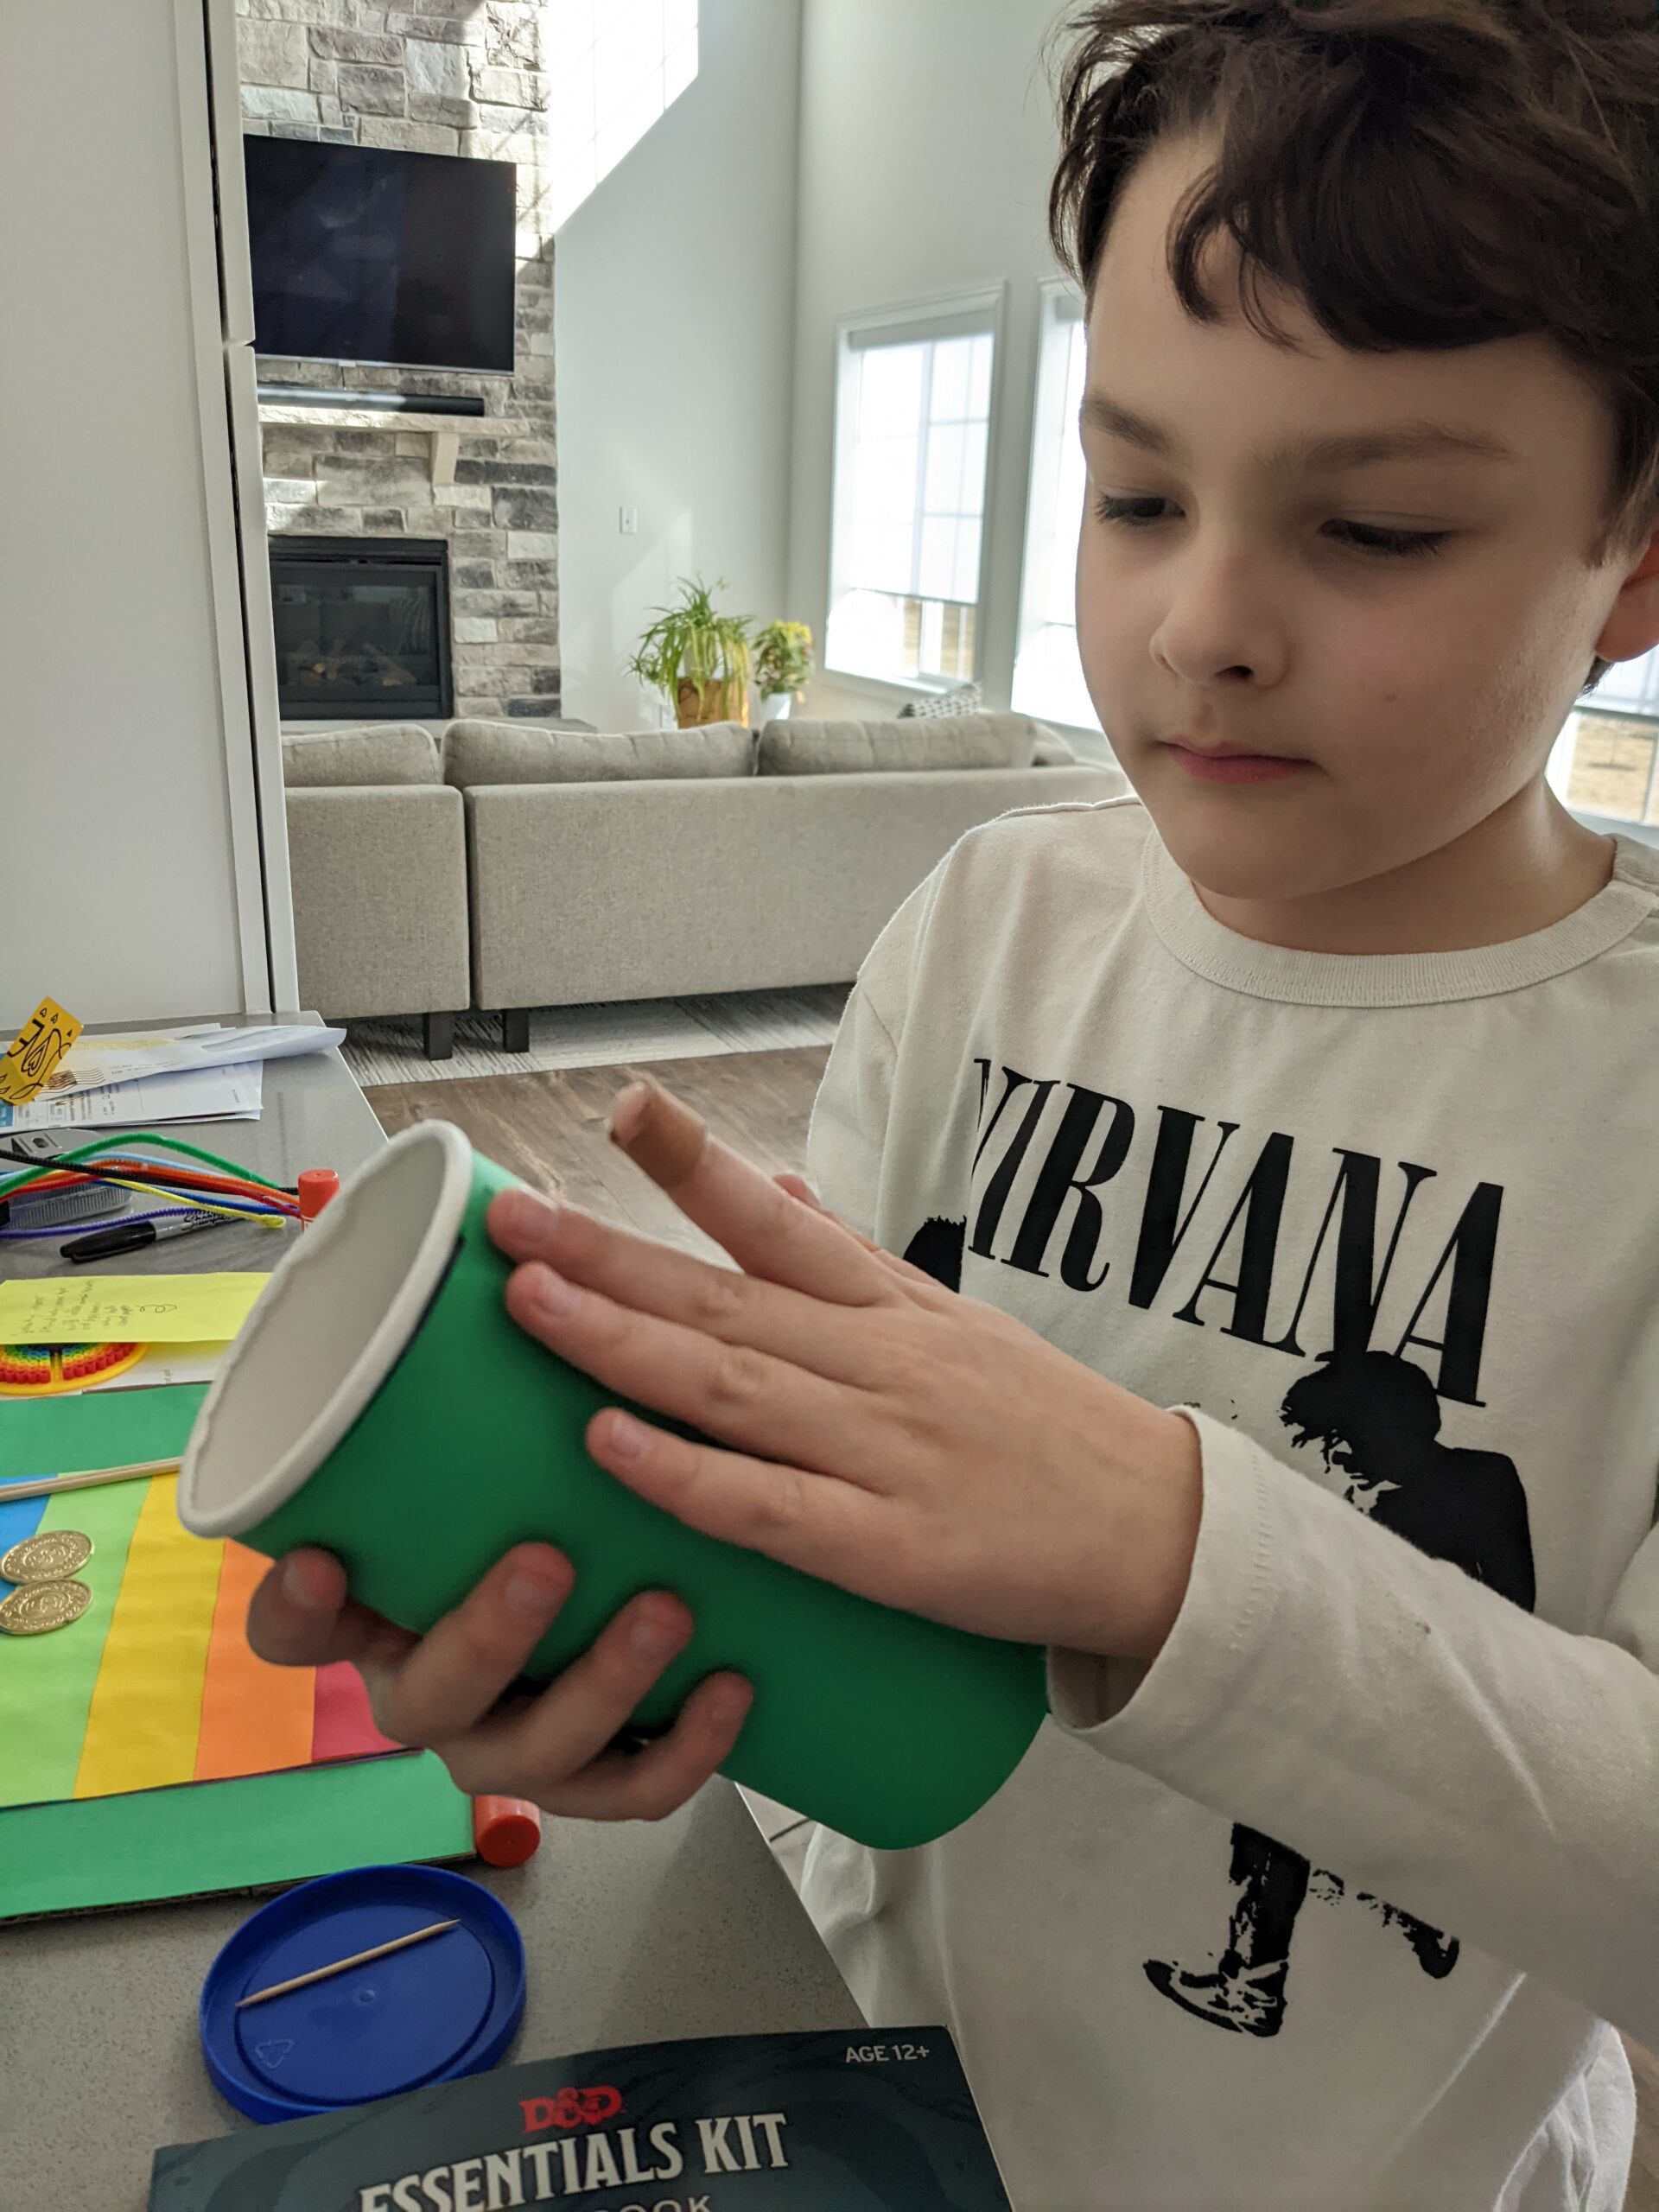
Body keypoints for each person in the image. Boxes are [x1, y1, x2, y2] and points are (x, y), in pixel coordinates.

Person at [249, 2, 1659, 2202]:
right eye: (1132, 491)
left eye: (1372, 526)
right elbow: (841, 1548)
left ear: (1637, 557)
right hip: (875, 2101)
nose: (1198, 621)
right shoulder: (992, 917)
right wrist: (640, 1640)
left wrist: (1174, 1550)